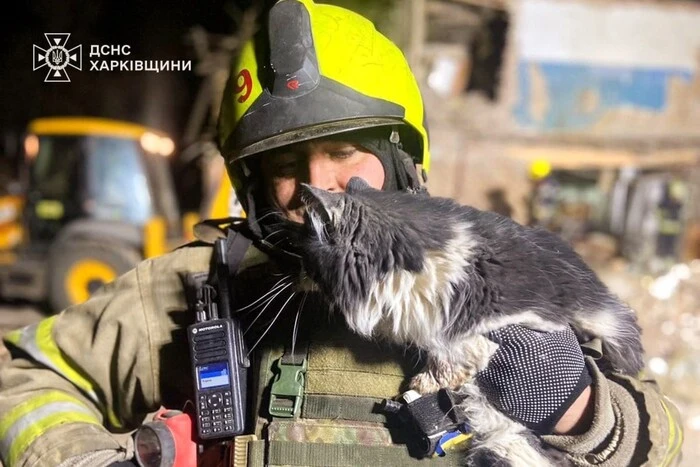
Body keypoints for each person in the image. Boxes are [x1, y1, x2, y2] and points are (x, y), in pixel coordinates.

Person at [0, 1, 683, 466]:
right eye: (287, 166)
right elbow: (23, 373)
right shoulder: (195, 288)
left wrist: (580, 408)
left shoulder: (501, 277)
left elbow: (665, 443)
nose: (319, 188)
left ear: (400, 160)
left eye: (345, 153)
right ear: (252, 184)